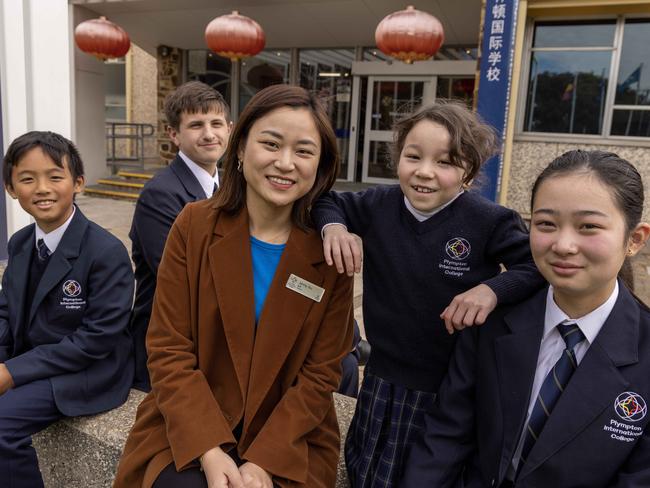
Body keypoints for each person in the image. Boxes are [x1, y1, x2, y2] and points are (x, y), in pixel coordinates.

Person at [114, 85, 355, 488]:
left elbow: (321, 376)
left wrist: (261, 462)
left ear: (321, 165)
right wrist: (208, 447)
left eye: (304, 151)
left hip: (287, 435)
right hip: (193, 418)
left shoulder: (331, 254)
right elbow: (168, 347)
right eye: (271, 143)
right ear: (240, 148)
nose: (285, 163)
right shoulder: (193, 226)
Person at [311, 100, 544, 487]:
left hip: (444, 386)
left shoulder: (488, 220)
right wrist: (334, 228)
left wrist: (491, 290)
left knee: (423, 471)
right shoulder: (378, 204)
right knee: (364, 464)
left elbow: (536, 265)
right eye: (413, 156)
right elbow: (326, 200)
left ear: (469, 171)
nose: (424, 172)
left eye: (445, 162)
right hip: (382, 373)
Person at [402, 150, 650, 488]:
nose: (563, 245)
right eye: (546, 224)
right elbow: (446, 433)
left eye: (588, 226)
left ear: (634, 240)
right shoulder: (491, 321)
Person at [0, 131, 134, 487]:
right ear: (11, 188)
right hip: (35, 360)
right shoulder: (20, 243)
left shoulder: (106, 252)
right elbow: (6, 312)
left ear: (78, 182)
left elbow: (96, 339)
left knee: (2, 423)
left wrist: (10, 372)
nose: (42, 188)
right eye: (27, 179)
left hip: (86, 370)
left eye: (55, 177)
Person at [129, 81, 231, 391]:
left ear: (230, 129)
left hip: (213, 332)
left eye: (216, 123)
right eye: (196, 125)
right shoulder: (160, 194)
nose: (209, 133)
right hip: (170, 343)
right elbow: (183, 278)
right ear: (174, 135)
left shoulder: (229, 186)